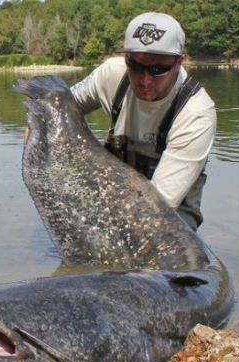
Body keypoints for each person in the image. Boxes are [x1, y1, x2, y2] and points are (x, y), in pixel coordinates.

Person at [71, 12, 216, 231]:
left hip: (170, 219)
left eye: (158, 69)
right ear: (126, 58)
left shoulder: (196, 114)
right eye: (136, 66)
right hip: (112, 198)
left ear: (179, 62)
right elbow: (58, 104)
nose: (145, 80)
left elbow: (157, 209)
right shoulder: (111, 74)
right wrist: (37, 124)